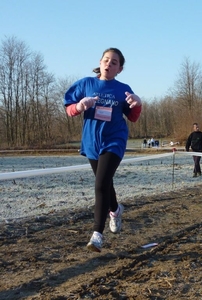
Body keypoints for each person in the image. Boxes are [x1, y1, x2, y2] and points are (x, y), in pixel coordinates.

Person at [64, 48, 142, 252]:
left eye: (114, 62)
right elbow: (69, 109)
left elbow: (133, 116)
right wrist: (80, 107)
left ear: (120, 69)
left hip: (114, 140)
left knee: (100, 184)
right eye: (106, 60)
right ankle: (115, 210)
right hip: (92, 142)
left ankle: (97, 235)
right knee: (105, 182)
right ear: (100, 62)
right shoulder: (86, 84)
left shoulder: (122, 89)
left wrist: (138, 104)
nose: (109, 64)